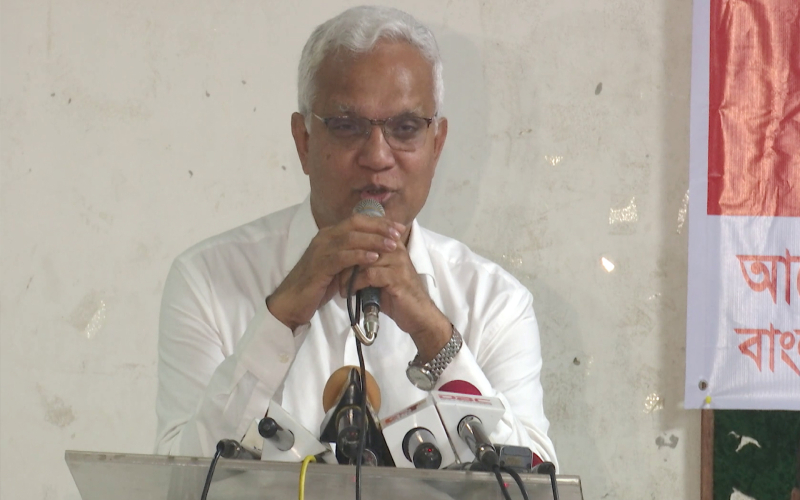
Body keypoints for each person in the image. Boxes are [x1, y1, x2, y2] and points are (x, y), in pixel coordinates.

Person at [154, 5, 558, 467]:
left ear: (437, 145)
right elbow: (177, 478)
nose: (377, 156)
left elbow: (535, 483)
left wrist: (435, 335)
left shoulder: (494, 302)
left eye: (405, 128)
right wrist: (279, 319)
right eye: (347, 127)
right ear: (304, 140)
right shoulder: (208, 281)